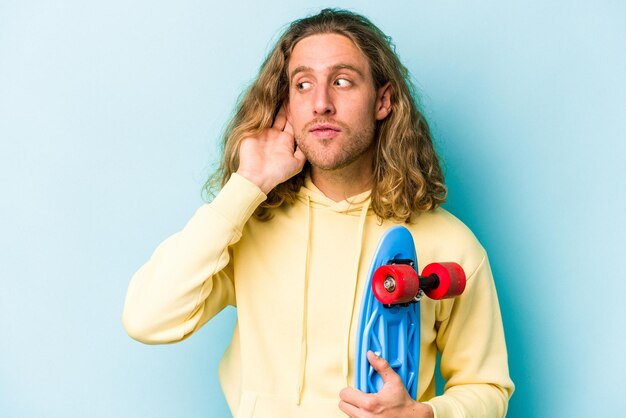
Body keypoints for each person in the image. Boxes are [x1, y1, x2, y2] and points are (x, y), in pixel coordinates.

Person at [122, 8, 514, 418]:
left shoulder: (450, 243)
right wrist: (247, 184)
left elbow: (487, 387)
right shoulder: (248, 224)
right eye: (303, 84)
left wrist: (428, 415)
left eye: (342, 82)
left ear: (383, 101)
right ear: (286, 106)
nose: (321, 104)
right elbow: (147, 318)